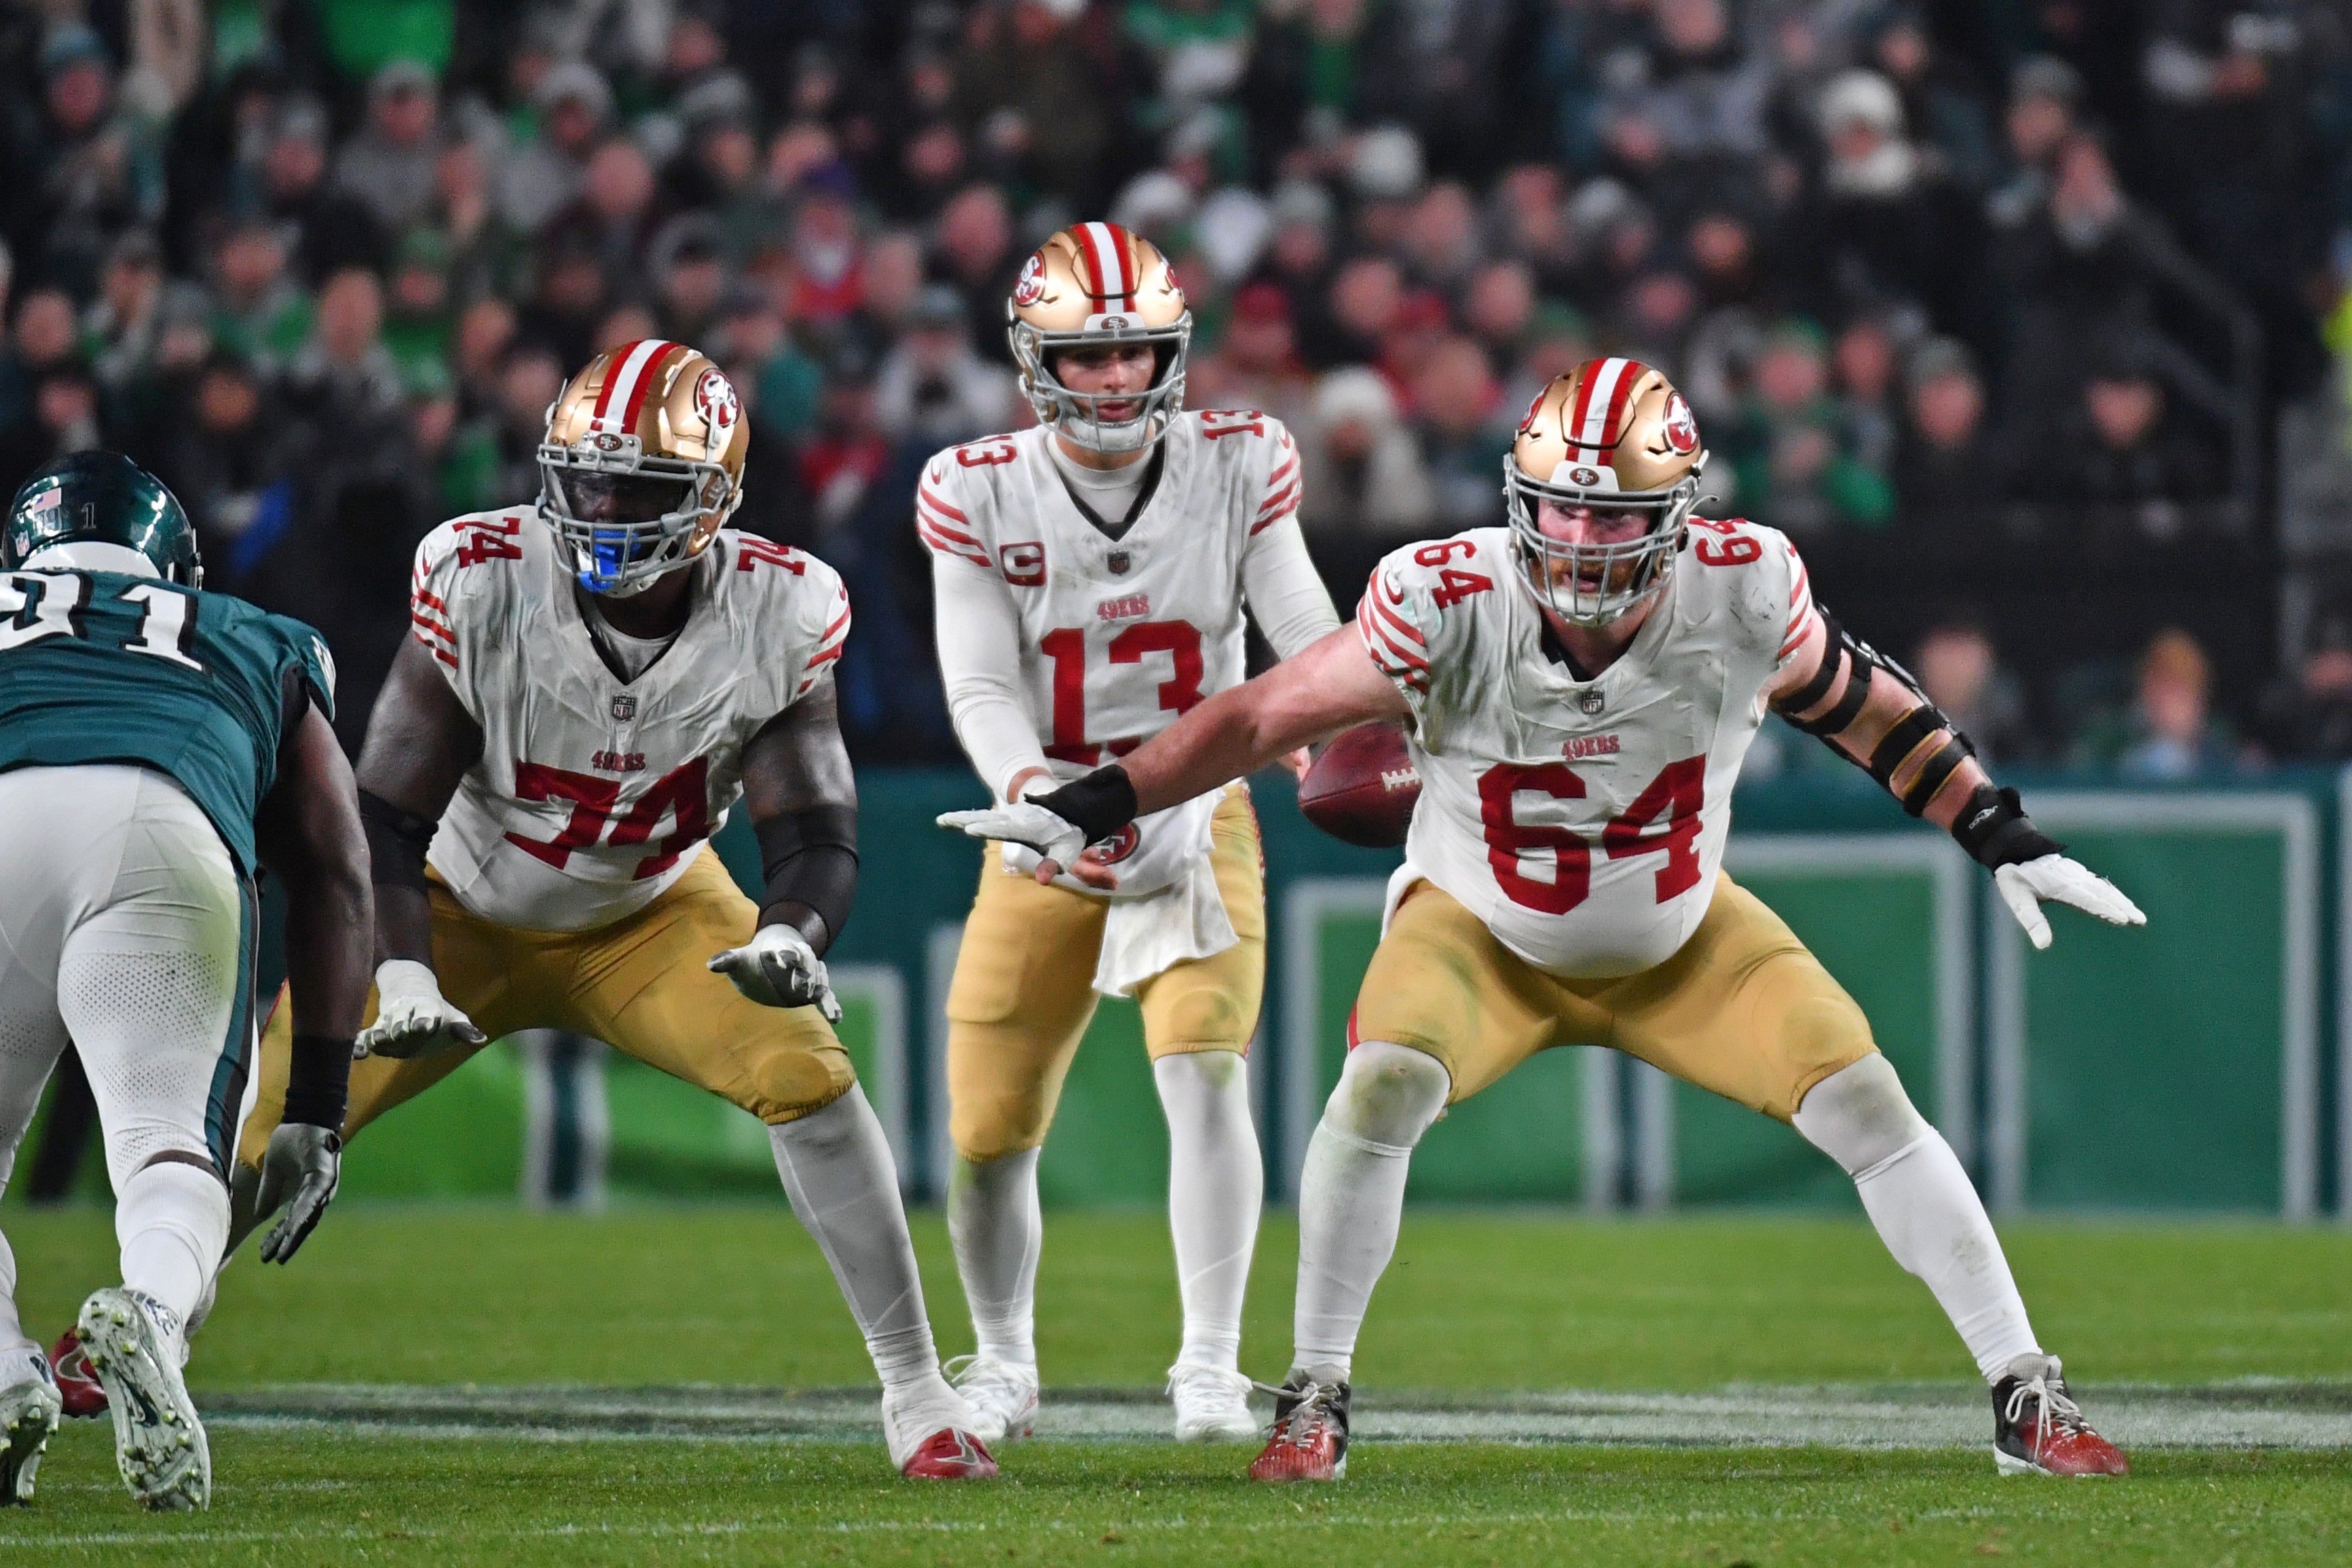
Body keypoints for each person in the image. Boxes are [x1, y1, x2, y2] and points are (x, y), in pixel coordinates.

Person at [949, 358, 2146, 1483]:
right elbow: (1261, 716)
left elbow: (1864, 707)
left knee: (1868, 1103)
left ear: (1677, 512)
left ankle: (2023, 1392)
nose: (1579, 538)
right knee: (1376, 1091)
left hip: (1683, 935)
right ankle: (1314, 1392)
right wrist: (1092, 800)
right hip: (1480, 932)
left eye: (1615, 515)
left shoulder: (1742, 585)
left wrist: (1994, 827)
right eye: (1558, 510)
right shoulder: (1445, 594)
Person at [52, 344, 995, 1481]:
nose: (601, 508)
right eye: (584, 477)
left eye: (637, 485)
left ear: (714, 497)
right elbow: (384, 819)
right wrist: (401, 974)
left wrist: (794, 929)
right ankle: (144, 1331)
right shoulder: (484, 572)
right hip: (449, 899)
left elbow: (813, 830)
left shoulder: (779, 606)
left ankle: (918, 1394)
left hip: (651, 908)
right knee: (253, 1133)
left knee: (813, 1080)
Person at [918, 223, 1339, 1447]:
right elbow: (980, 678)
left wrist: (1329, 719)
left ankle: (1209, 1364)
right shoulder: (972, 482)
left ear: (1174, 352)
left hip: (1198, 812)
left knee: (1207, 1074)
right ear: (1031, 356)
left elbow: (1297, 623)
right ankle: (1002, 1360)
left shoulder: (1243, 457)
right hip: (1038, 816)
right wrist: (1040, 794)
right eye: (1085, 355)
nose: (1111, 378)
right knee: (988, 1128)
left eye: (1134, 353)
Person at [0, 453, 367, 1510]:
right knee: (168, 1140)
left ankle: (5, 1376)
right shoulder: (252, 631)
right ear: (176, 564)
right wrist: (318, 1105)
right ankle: (151, 1310)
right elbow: (336, 867)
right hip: (156, 822)